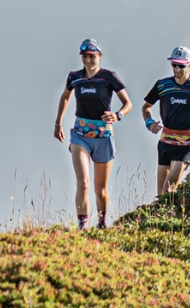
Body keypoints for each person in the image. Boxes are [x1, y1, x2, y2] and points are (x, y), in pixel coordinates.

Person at [54, 38, 132, 229]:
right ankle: (83, 227)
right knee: (83, 183)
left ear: (99, 56)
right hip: (80, 135)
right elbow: (65, 96)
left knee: (101, 189)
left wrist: (117, 115)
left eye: (92, 57)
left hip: (103, 136)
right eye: (85, 57)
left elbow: (128, 103)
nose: (88, 61)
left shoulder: (109, 77)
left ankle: (102, 224)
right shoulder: (74, 77)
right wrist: (58, 124)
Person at [141, 46, 190, 196]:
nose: (177, 68)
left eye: (181, 65)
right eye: (174, 64)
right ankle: (166, 218)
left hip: (186, 144)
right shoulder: (162, 85)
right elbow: (146, 106)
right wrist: (149, 123)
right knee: (160, 196)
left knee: (169, 189)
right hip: (165, 142)